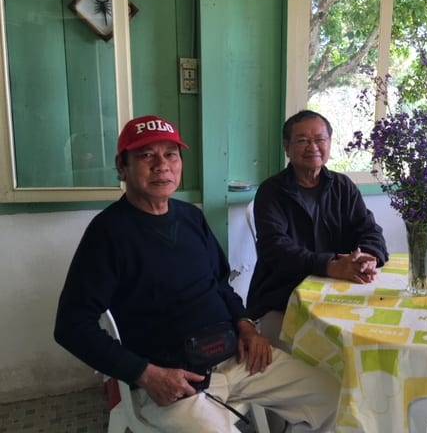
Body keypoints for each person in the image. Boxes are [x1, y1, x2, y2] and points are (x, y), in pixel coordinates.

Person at [54, 115, 338, 433]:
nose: (162, 165)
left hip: (236, 359)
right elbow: (71, 326)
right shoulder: (107, 233)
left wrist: (246, 326)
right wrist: (145, 374)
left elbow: (221, 284)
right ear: (123, 167)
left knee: (334, 398)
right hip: (171, 381)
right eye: (146, 155)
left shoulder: (191, 217)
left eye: (171, 154)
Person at [247, 110, 388, 343]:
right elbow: (275, 249)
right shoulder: (271, 192)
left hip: (339, 290)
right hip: (285, 295)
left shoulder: (343, 186)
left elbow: (369, 229)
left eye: (320, 139)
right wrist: (330, 266)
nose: (312, 147)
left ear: (329, 143)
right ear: (287, 148)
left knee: (374, 329)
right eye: (302, 140)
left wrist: (368, 256)